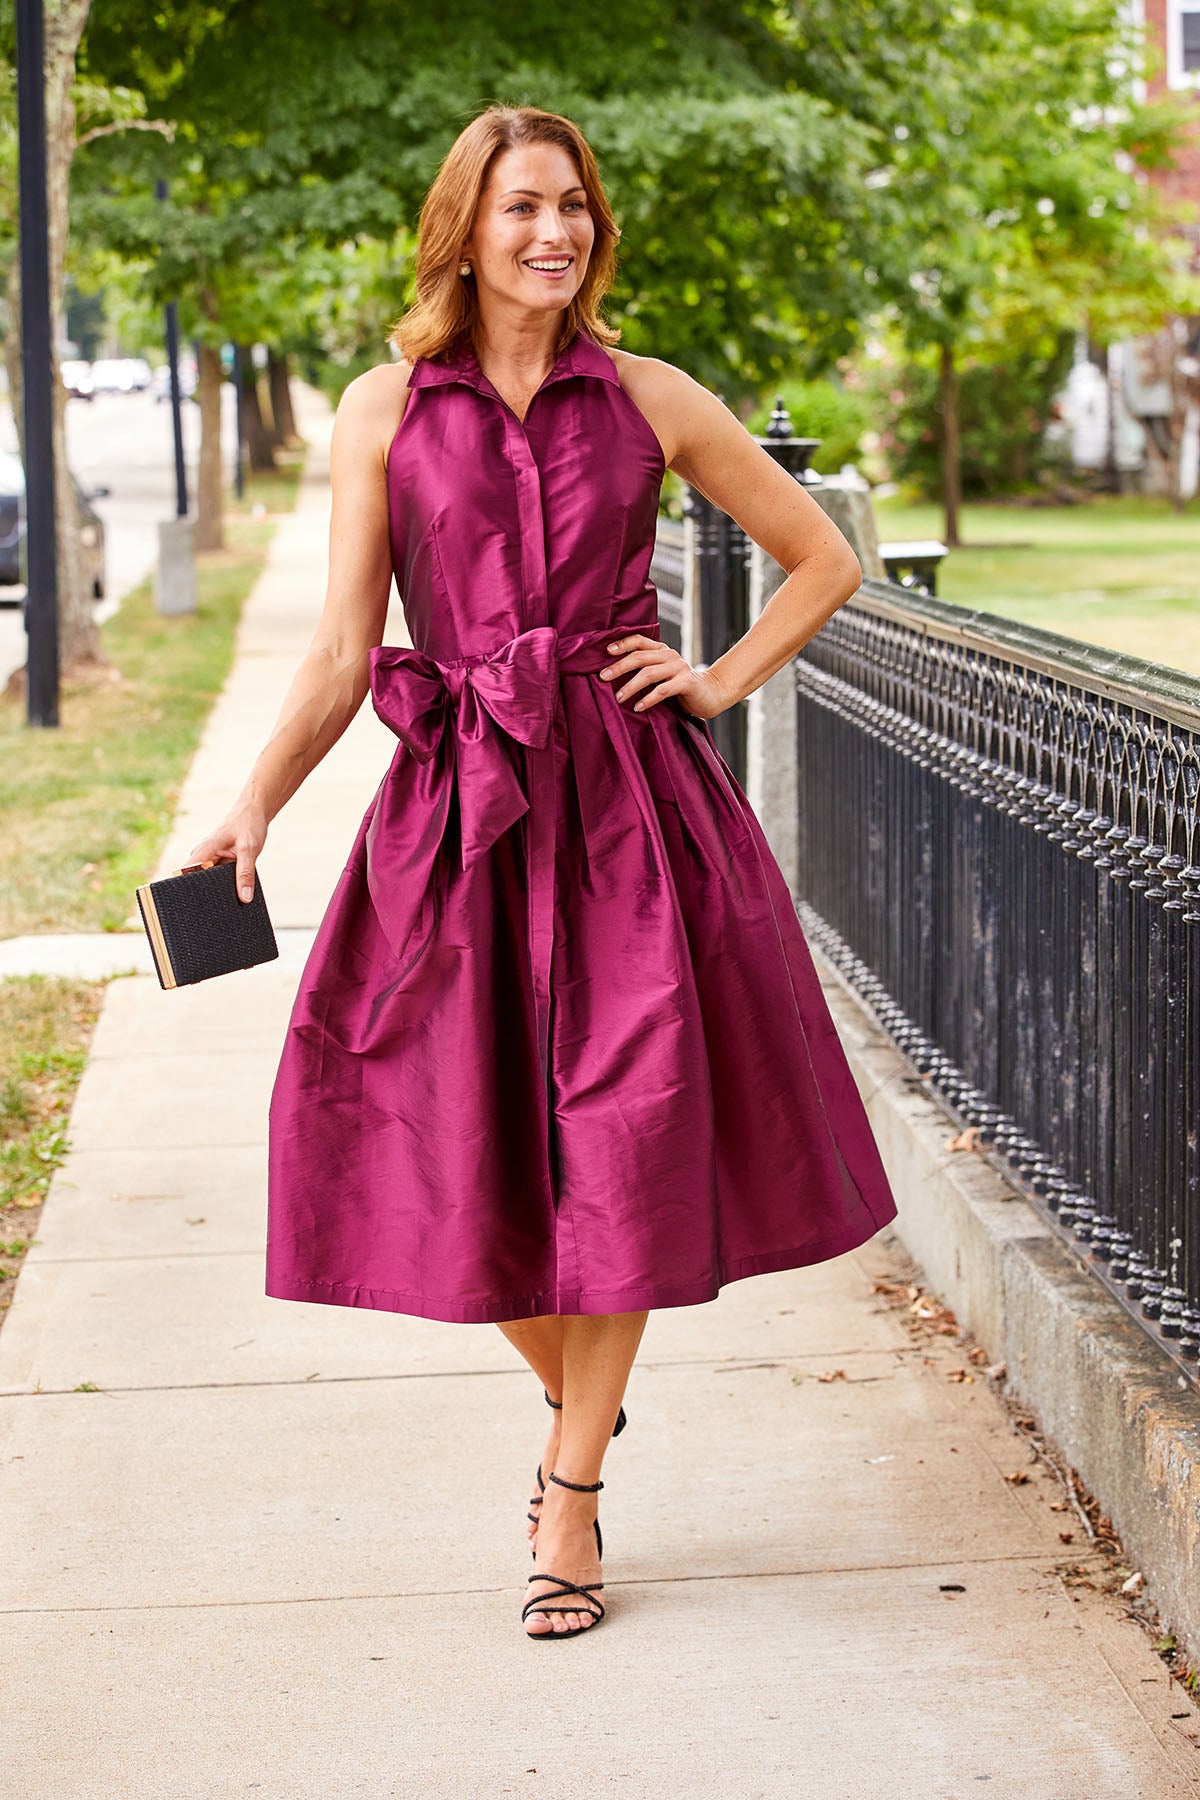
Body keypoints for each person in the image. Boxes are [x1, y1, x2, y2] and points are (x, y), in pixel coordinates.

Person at [185, 103, 899, 1642]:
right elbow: (336, 649)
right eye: (520, 209)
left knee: (625, 1136)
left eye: (571, 207)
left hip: (633, 816)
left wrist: (715, 679)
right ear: (465, 227)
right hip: (455, 813)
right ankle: (592, 1411)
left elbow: (823, 557)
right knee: (429, 1130)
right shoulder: (384, 408)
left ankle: (567, 1498)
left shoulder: (648, 396)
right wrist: (250, 806)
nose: (552, 234)